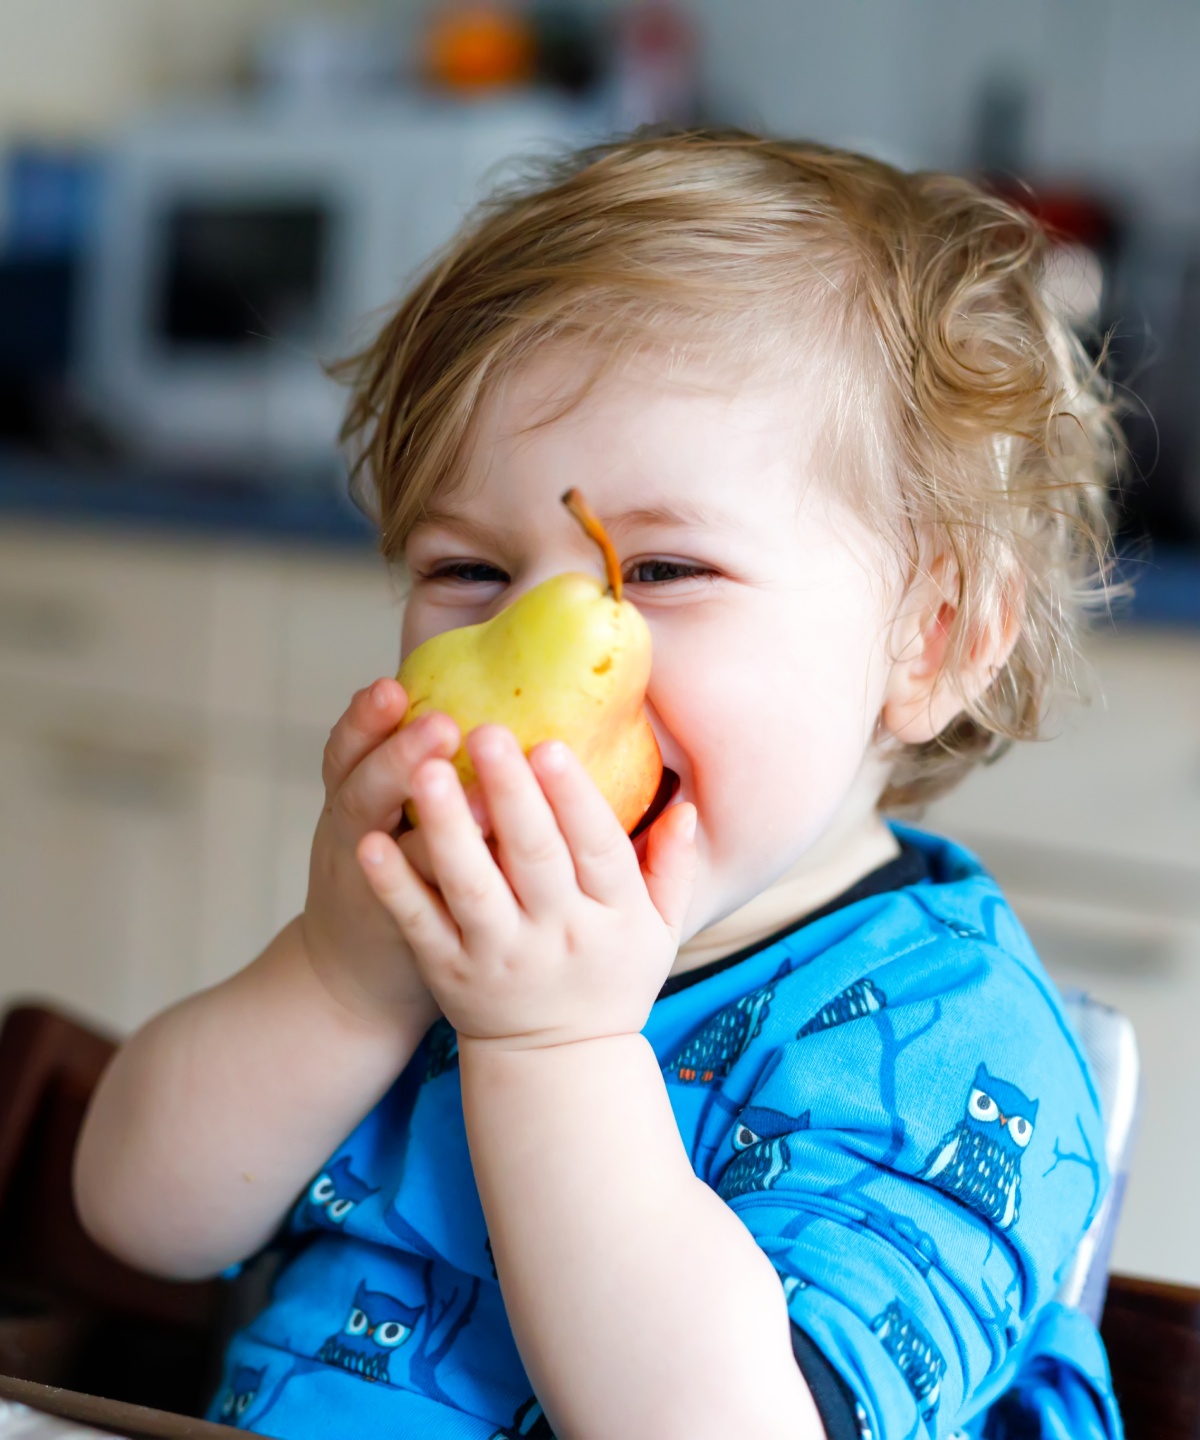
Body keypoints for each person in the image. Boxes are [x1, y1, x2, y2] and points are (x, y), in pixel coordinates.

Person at [74, 132, 1125, 1440]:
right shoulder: (439, 928)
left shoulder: (947, 1038)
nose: (554, 636)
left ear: (935, 643)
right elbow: (138, 1216)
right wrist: (337, 975)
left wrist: (552, 1048)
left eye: (660, 572)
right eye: (465, 571)